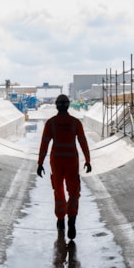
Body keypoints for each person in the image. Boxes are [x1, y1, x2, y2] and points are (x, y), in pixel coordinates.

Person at [37, 94, 91, 239]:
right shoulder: (75, 123)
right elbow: (83, 142)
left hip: (57, 162)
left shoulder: (51, 123)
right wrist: (87, 159)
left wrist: (40, 163)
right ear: (68, 105)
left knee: (59, 191)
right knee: (73, 192)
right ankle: (71, 220)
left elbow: (44, 144)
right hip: (72, 162)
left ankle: (61, 220)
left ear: (56, 106)